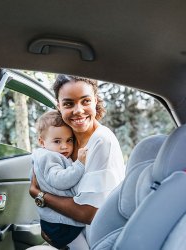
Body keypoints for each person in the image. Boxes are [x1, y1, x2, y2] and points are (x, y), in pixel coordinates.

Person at [30, 74, 125, 250]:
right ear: (58, 106)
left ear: (95, 101)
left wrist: (39, 195)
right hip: (72, 235)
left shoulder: (102, 141)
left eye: (85, 101)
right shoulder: (69, 138)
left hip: (98, 240)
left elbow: (88, 213)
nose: (78, 110)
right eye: (68, 103)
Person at [30, 110, 87, 249]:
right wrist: (79, 165)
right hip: (61, 224)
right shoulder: (49, 157)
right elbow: (59, 181)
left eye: (69, 140)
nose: (64, 146)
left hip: (57, 221)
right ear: (42, 142)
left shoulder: (50, 155)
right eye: (57, 141)